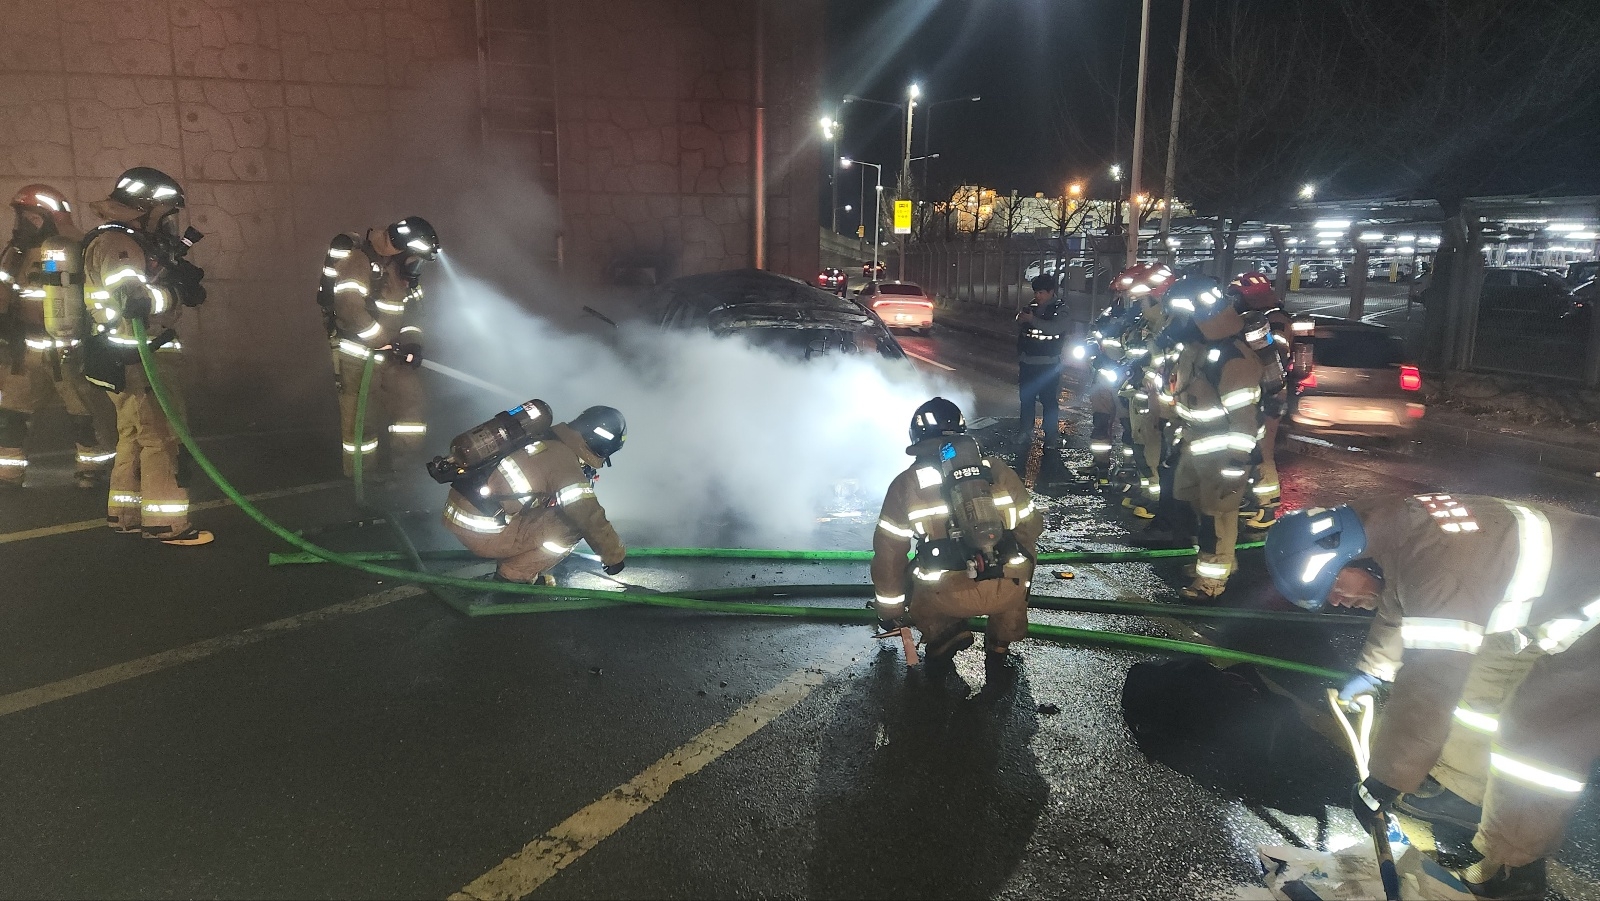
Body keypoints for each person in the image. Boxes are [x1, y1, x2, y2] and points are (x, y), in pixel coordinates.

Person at [1266, 498, 1600, 900]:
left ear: (1354, 559)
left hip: (1590, 614)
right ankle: (1460, 792)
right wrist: (1373, 669)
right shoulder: (1398, 532)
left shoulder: (1441, 569)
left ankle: (1515, 867)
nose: (1336, 600)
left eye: (1334, 586)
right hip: (1550, 600)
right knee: (1480, 684)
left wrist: (1386, 781)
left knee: (1534, 743)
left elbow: (1430, 685)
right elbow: (1400, 604)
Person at [81, 168, 212, 545]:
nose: (169, 222)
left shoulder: (119, 240)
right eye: (166, 212)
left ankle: (125, 513)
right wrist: (174, 292)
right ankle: (165, 524)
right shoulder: (120, 244)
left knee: (134, 436)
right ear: (147, 206)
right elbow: (134, 301)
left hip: (122, 355)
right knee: (161, 438)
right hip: (140, 357)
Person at [872, 397, 1042, 676]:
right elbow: (1032, 526)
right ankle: (1001, 642)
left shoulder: (907, 483)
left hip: (949, 595)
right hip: (1009, 589)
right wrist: (1021, 576)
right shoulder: (997, 469)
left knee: (915, 572)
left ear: (917, 436)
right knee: (1017, 558)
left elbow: (890, 554)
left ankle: (943, 633)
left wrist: (890, 611)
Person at [0, 184, 116, 488]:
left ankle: (90, 469)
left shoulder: (76, 249)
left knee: (84, 414)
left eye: (31, 217)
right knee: (11, 412)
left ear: (50, 217)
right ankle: (8, 473)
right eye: (21, 216)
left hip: (68, 350)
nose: (24, 223)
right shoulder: (15, 253)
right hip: (25, 351)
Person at [441, 404, 627, 590]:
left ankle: (512, 561)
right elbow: (588, 516)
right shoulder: (564, 460)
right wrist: (614, 556)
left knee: (552, 510)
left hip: (457, 513)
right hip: (481, 531)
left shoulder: (543, 438)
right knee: (572, 525)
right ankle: (516, 575)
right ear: (604, 446)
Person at [319, 216, 439, 480]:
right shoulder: (358, 261)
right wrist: (381, 340)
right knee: (361, 423)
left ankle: (406, 474)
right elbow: (349, 309)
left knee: (411, 408)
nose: (415, 266)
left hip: (393, 356)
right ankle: (362, 482)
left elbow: (414, 314)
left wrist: (412, 343)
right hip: (357, 356)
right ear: (400, 249)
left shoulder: (402, 275)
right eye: (414, 258)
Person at [1168, 280, 1264, 599]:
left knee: (1218, 517)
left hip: (1223, 454)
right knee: (1200, 508)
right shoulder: (1199, 350)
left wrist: (1236, 468)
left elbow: (1244, 421)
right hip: (1198, 446)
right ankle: (1215, 562)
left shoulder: (1234, 360)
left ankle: (1211, 581)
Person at [1236, 309, 1287, 528]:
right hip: (1270, 405)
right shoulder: (1270, 350)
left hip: (1266, 407)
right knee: (1259, 454)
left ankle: (1266, 509)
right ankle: (1263, 501)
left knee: (1263, 454)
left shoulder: (1261, 354)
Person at [1015, 273, 1069, 457]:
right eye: (1036, 292)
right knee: (1026, 399)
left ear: (1051, 292)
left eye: (1041, 292)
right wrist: (1020, 320)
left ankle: (1050, 436)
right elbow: (1021, 327)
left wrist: (1032, 320)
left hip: (1048, 365)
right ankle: (1025, 432)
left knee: (1049, 402)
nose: (1037, 296)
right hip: (1028, 362)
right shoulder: (1031, 306)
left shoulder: (1060, 309)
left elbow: (1056, 328)